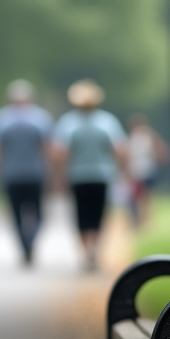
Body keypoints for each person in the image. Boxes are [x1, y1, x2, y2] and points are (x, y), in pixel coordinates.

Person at [51, 79, 129, 272]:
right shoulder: (107, 121)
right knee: (99, 214)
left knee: (81, 215)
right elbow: (120, 150)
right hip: (102, 175)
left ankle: (87, 251)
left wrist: (59, 176)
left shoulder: (68, 122)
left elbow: (61, 153)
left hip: (78, 176)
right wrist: (123, 171)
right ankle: (94, 249)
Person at [0, 79, 53, 265]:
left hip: (14, 175)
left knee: (17, 214)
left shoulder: (1, 119)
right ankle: (29, 243)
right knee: (37, 213)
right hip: (33, 174)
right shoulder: (40, 118)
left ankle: (26, 245)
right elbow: (48, 149)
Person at [125, 113, 170, 230]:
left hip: (148, 169)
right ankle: (140, 220)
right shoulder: (133, 136)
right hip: (137, 171)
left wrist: (159, 157)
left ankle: (146, 220)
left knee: (147, 196)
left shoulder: (149, 135)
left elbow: (161, 149)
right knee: (138, 197)